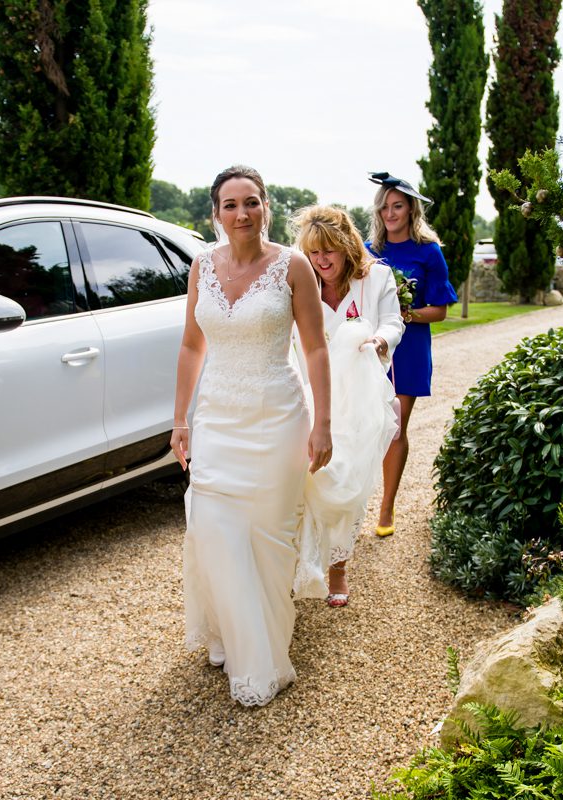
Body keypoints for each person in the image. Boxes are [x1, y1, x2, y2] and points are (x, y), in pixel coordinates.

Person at [170, 165, 332, 707]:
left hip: (277, 418)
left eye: (252, 202)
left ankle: (259, 650)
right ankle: (234, 637)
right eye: (231, 205)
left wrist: (323, 421)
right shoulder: (200, 268)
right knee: (213, 528)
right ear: (215, 214)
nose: (242, 214)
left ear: (266, 207)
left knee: (267, 541)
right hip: (217, 419)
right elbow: (193, 347)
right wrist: (180, 419)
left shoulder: (294, 266)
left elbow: (314, 348)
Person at [291, 205, 403, 608]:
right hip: (313, 392)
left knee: (350, 481)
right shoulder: (301, 282)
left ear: (346, 246)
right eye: (314, 253)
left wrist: (379, 342)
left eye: (330, 252)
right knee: (313, 475)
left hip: (360, 395)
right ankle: (305, 558)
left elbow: (393, 321)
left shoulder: (376, 278)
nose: (322, 261)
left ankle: (338, 565)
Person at [365, 172, 458, 537]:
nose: (390, 213)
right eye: (384, 206)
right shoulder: (370, 250)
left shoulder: (428, 252)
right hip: (371, 347)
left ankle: (386, 507)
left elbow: (440, 309)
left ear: (410, 209)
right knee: (361, 424)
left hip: (409, 348)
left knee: (395, 425)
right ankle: (352, 501)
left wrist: (405, 314)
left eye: (397, 206)